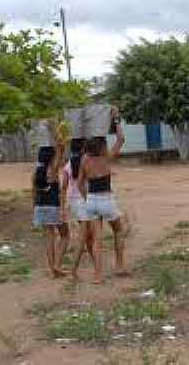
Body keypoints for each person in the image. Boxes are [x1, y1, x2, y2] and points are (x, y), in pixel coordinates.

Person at [77, 109, 126, 284]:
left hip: (91, 201)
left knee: (97, 240)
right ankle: (119, 265)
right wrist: (117, 119)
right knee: (118, 230)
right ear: (102, 145)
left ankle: (98, 275)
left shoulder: (84, 159)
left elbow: (79, 184)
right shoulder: (106, 157)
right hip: (106, 200)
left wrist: (86, 199)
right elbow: (121, 139)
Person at [32, 142, 67, 279]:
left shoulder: (36, 173)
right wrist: (57, 134)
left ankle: (52, 269)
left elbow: (33, 194)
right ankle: (57, 265)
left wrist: (34, 209)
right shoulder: (52, 169)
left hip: (40, 207)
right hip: (53, 206)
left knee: (49, 238)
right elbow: (62, 148)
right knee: (65, 235)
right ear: (52, 157)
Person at [61, 138, 95, 278]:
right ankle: (73, 269)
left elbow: (63, 187)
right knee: (84, 236)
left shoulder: (68, 165)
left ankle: (96, 264)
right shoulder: (86, 162)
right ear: (82, 149)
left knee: (88, 236)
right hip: (84, 201)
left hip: (73, 202)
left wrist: (64, 206)